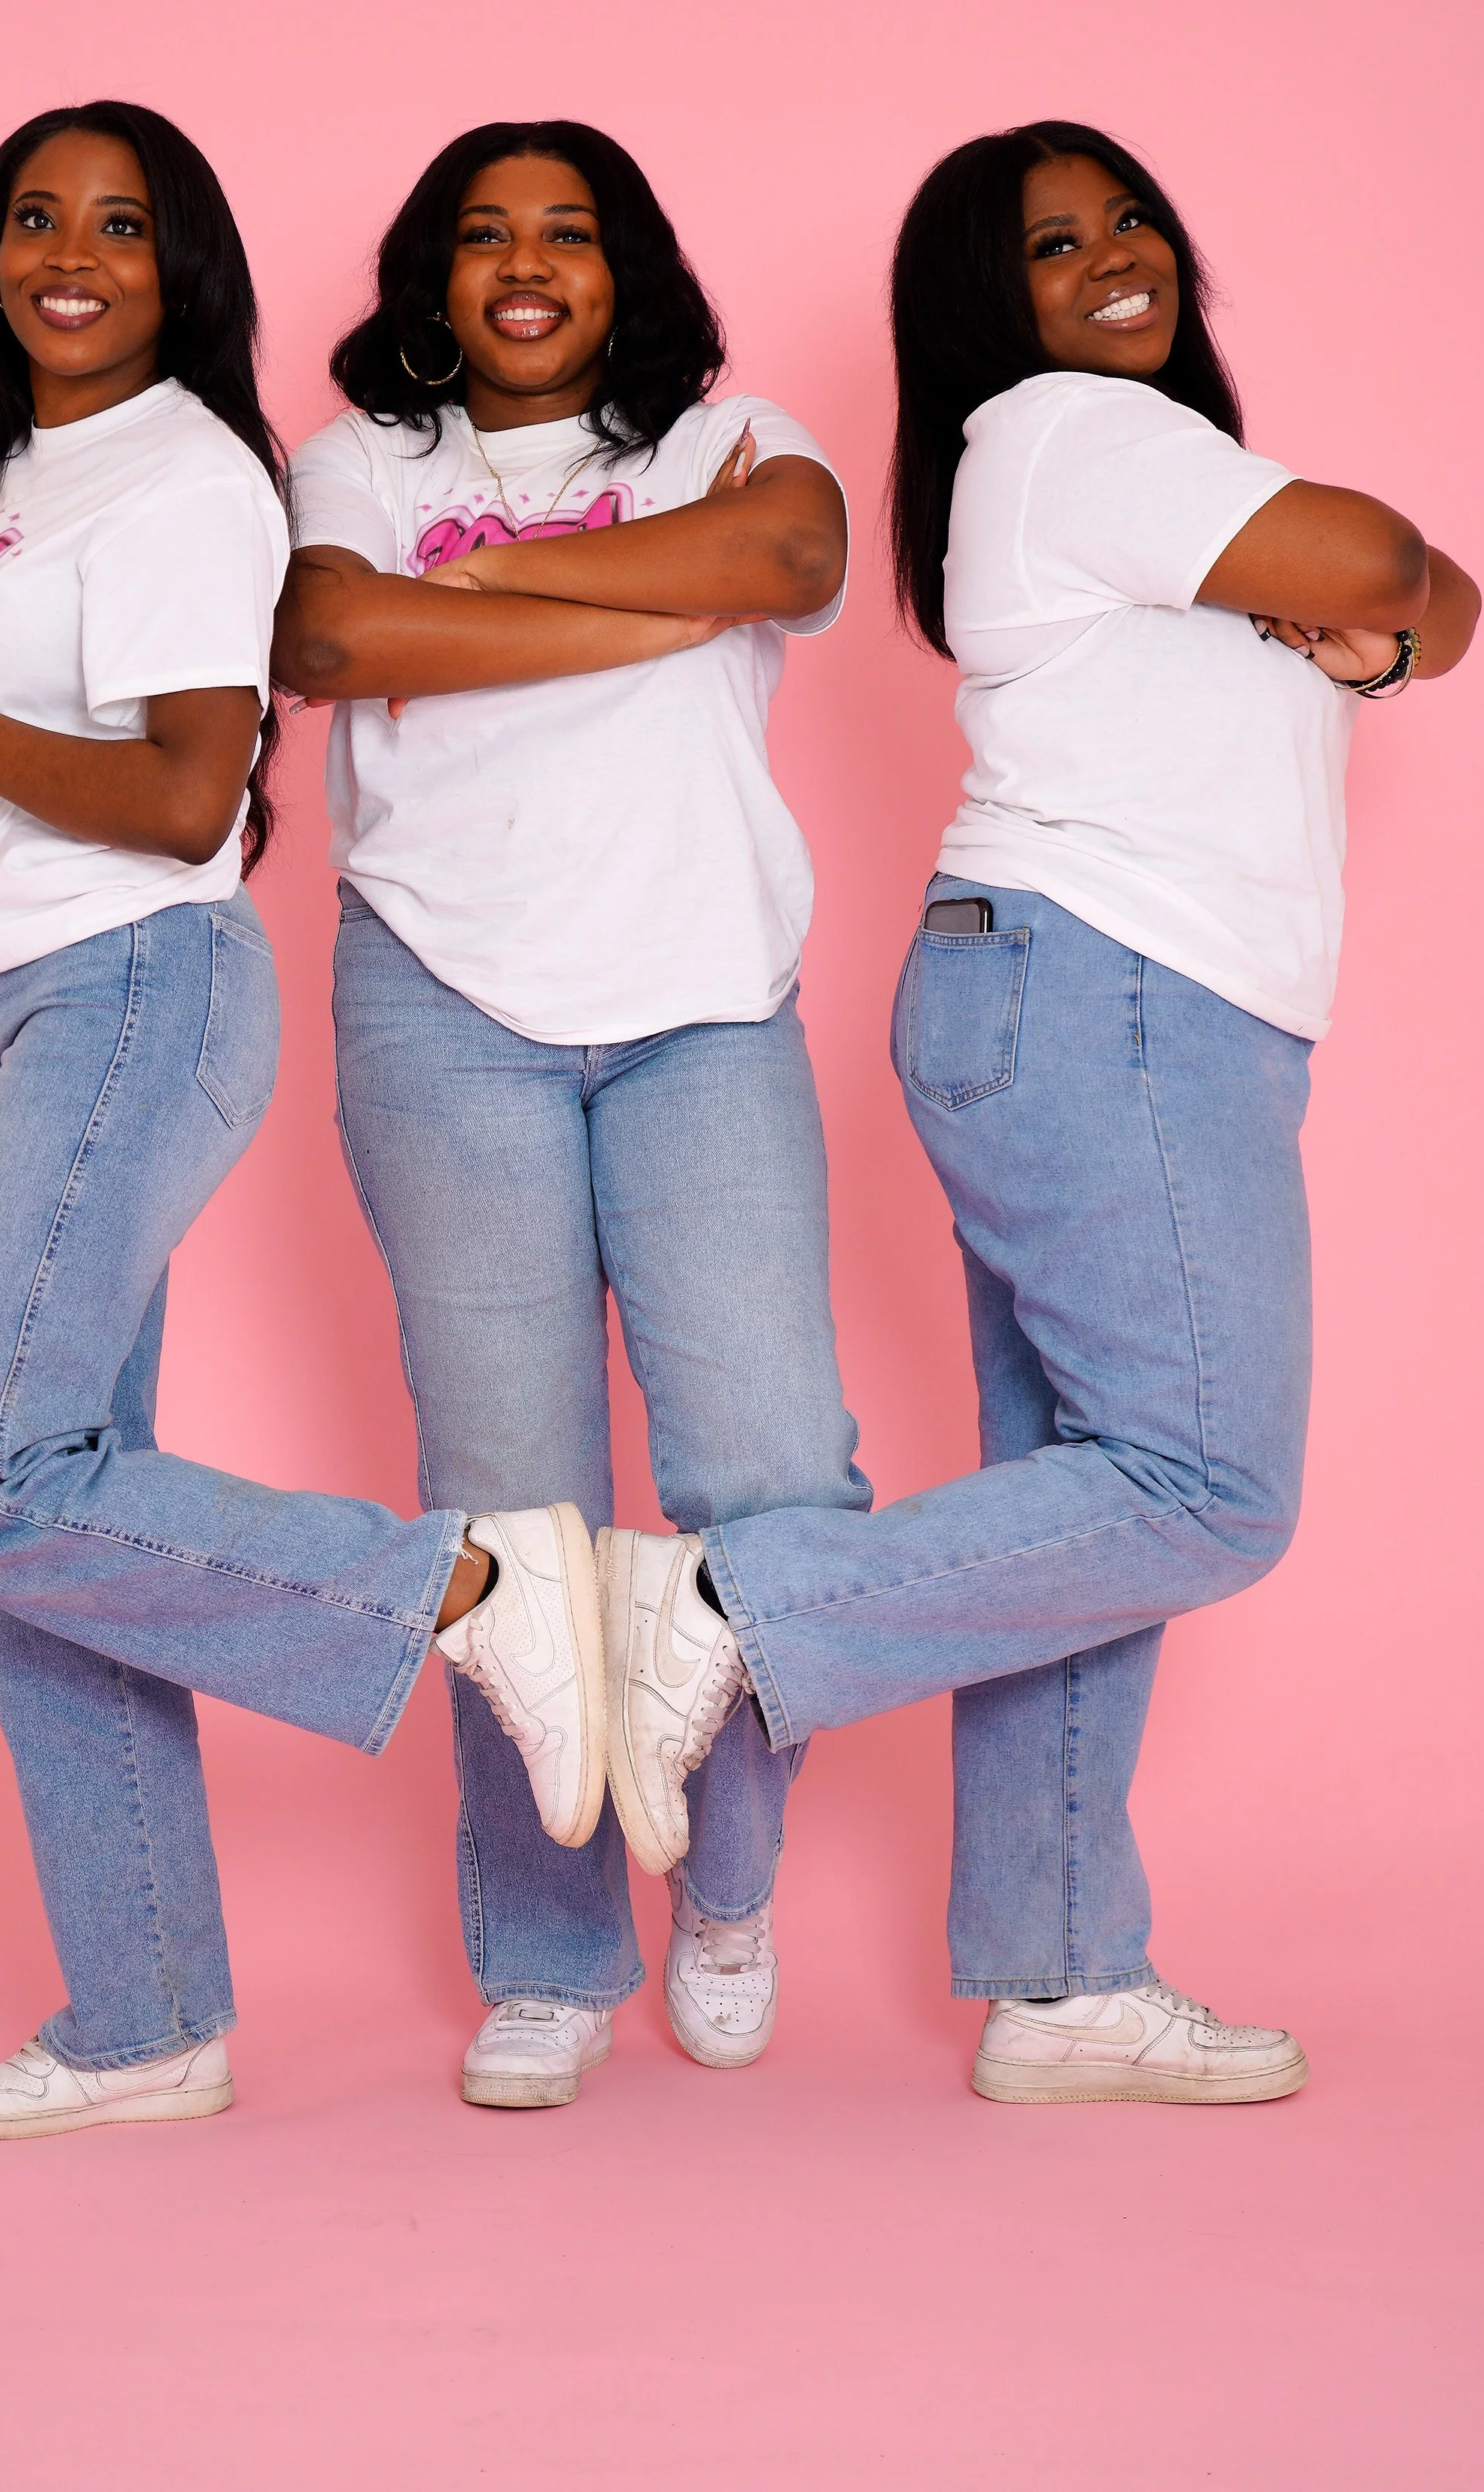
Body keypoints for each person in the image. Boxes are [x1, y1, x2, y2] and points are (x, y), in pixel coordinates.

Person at [588, 119, 1479, 2104]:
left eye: (1127, 219)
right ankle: (730, 1606)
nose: (1108, 257)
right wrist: (1379, 599)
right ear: (985, 309)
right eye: (1049, 245)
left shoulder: (1165, 480)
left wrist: (1394, 607)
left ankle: (1061, 1978)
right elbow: (1379, 573)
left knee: (1079, 1510)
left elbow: (1444, 605)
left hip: (1086, 1001)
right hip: (1114, 998)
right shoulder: (1076, 431)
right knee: (1201, 1491)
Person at [0, 100, 604, 2144]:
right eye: (36, 218)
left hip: (130, 984)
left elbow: (183, 794)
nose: (72, 254)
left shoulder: (188, 480)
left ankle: (470, 1598)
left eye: (120, 224)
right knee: (58, 1522)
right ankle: (143, 2017)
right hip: (14, 1008)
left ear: (179, 267)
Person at [273, 120, 860, 2106]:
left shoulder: (731, 437)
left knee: (766, 1485)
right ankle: (546, 1954)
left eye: (569, 233)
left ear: (630, 271)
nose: (526, 266)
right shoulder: (359, 463)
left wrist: (488, 593)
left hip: (708, 1011)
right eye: (483, 235)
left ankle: (727, 1888)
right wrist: (658, 595)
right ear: (432, 278)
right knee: (509, 1511)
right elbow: (332, 636)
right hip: (442, 1006)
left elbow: (790, 557)